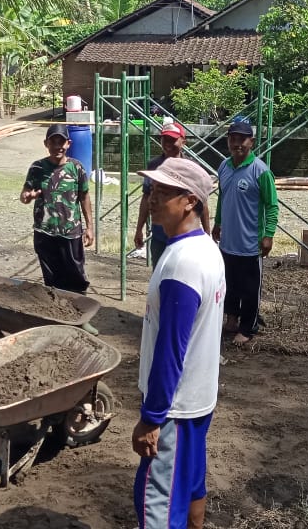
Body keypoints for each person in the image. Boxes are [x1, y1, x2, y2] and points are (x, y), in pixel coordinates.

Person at [132, 157, 225, 529]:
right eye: (152, 189)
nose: (152, 198)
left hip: (176, 409)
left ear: (190, 201)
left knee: (156, 502)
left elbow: (171, 349)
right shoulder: (204, 248)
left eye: (163, 192)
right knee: (189, 484)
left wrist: (152, 417)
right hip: (199, 399)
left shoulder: (182, 265)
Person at [212, 119, 278, 347]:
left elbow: (272, 206)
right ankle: (231, 319)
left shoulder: (261, 171)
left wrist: (268, 234)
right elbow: (222, 197)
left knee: (250, 289)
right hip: (228, 241)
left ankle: (248, 327)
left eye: (242, 139)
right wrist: (217, 222)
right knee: (229, 283)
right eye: (233, 139)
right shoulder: (224, 167)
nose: (237, 144)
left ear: (252, 142)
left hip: (250, 244)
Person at [19, 123, 94, 293]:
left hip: (70, 232)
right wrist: (27, 197)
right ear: (46, 144)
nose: (57, 146)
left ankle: (77, 305)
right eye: (53, 142)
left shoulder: (76, 167)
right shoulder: (37, 168)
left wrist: (90, 227)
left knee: (76, 276)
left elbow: (84, 197)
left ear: (68, 144)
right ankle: (55, 306)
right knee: (51, 279)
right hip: (44, 232)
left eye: (61, 142)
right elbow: (24, 195)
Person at [134, 122, 212, 266]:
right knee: (160, 271)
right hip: (159, 235)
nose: (168, 144)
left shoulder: (191, 168)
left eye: (172, 140)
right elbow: (146, 197)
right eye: (165, 140)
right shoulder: (154, 166)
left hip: (183, 235)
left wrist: (207, 233)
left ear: (183, 142)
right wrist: (139, 229)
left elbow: (203, 202)